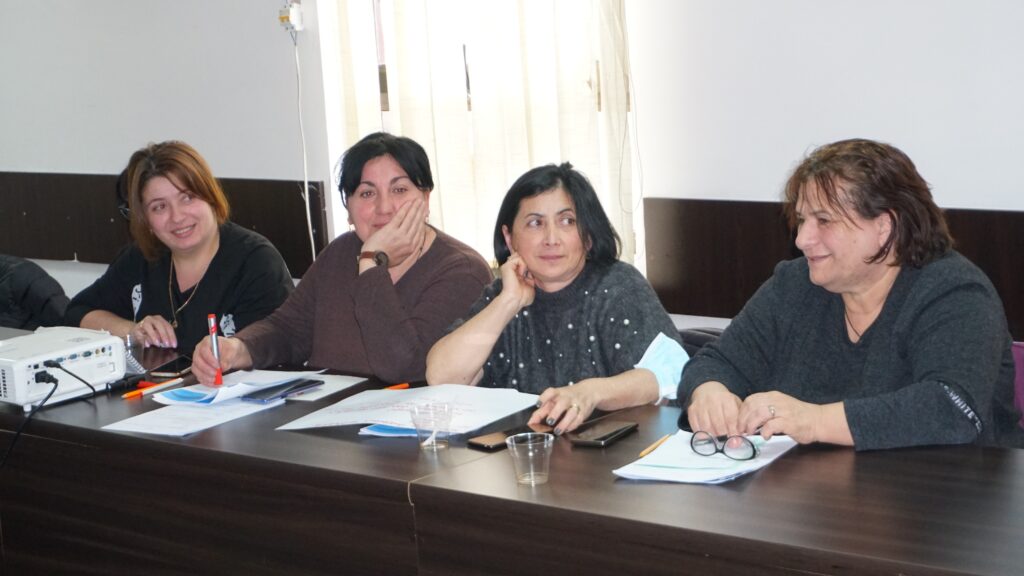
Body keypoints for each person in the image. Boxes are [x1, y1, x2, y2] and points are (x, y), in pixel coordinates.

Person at [680, 138, 1023, 450]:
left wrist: (814, 421)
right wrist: (710, 392)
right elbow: (716, 362)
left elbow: (951, 408)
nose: (802, 239)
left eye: (824, 221)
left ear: (885, 227)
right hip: (816, 489)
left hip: (944, 491)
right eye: (802, 220)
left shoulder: (955, 292)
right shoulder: (794, 285)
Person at [191, 132, 492, 384]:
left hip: (409, 428)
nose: (384, 207)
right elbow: (290, 329)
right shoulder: (341, 252)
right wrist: (238, 348)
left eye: (400, 189)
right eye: (366, 193)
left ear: (425, 200)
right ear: (348, 208)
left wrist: (371, 263)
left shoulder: (462, 271)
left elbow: (405, 366)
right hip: (324, 418)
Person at [426, 163, 688, 434]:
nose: (551, 239)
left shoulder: (617, 286)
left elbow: (671, 372)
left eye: (567, 221)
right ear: (509, 238)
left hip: (615, 453)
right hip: (522, 452)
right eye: (535, 223)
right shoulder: (503, 293)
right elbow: (442, 378)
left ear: (588, 235)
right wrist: (508, 302)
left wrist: (589, 393)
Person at [65, 141, 294, 352]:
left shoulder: (256, 262)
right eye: (159, 207)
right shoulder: (141, 258)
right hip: (153, 384)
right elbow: (77, 313)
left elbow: (278, 346)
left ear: (210, 197)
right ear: (146, 220)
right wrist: (132, 331)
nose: (177, 217)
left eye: (187, 198)